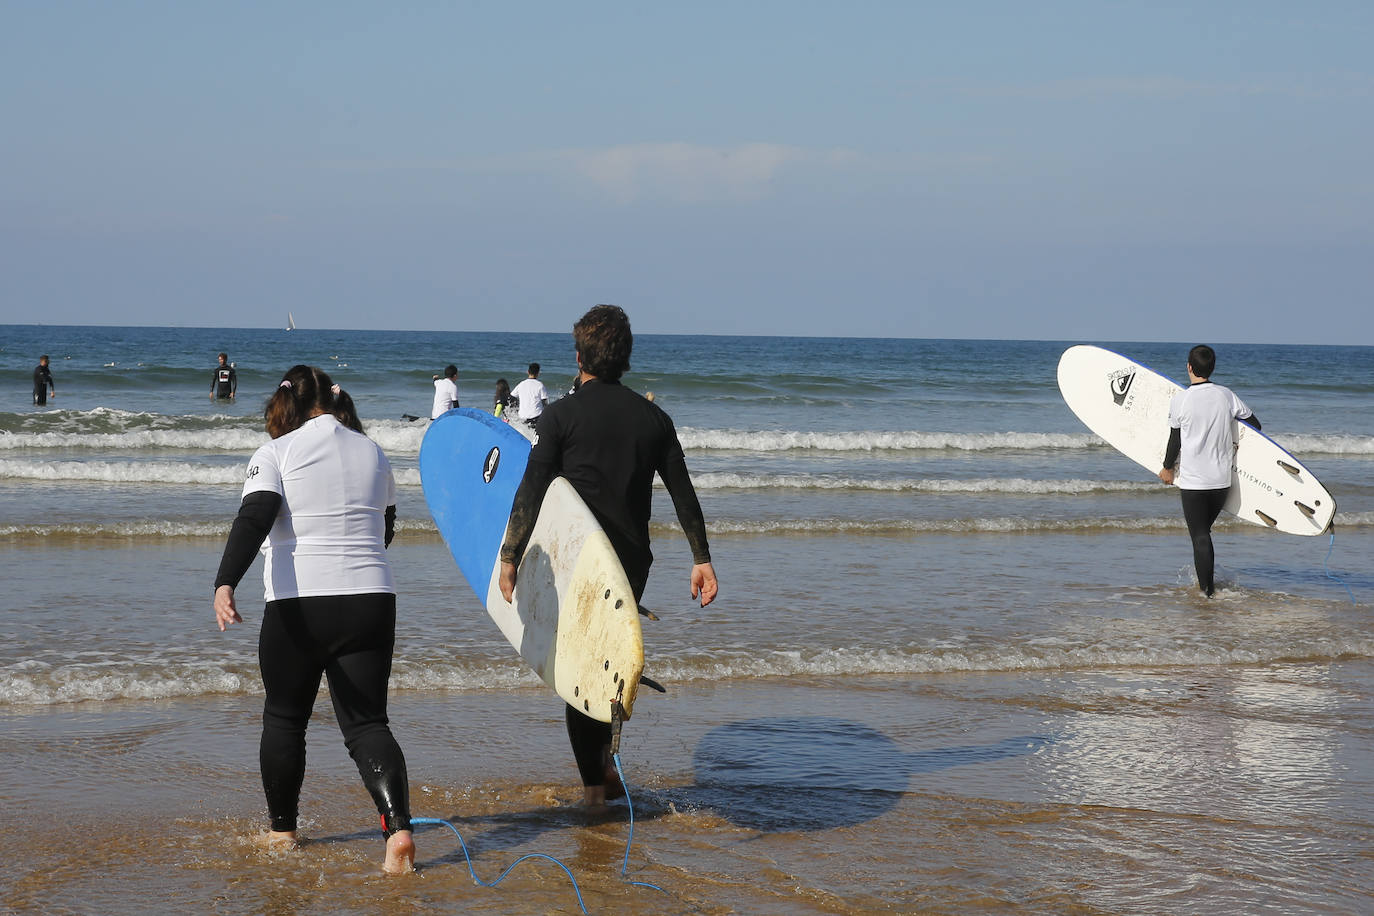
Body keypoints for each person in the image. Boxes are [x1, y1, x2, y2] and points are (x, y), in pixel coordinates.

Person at [498, 305, 719, 806]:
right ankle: (605, 773)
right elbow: (683, 493)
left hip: (581, 564)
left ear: (578, 356)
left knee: (581, 676)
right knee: (605, 663)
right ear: (626, 359)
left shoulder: (559, 418)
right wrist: (701, 558)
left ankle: (595, 793)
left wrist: (509, 556)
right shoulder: (655, 419)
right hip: (630, 566)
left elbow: (531, 490)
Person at [212, 365, 416, 873]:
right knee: (368, 723)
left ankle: (282, 832)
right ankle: (398, 831)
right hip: (371, 598)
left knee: (285, 716)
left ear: (290, 402)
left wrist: (225, 582)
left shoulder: (277, 452)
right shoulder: (373, 451)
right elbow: (385, 527)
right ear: (332, 399)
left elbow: (255, 517)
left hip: (298, 603)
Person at [1157, 345, 1261, 598]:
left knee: (1200, 535)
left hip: (1194, 482)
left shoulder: (1180, 399)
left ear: (1189, 367)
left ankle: (1207, 593)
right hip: (1222, 481)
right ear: (1212, 368)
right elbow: (1255, 425)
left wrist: (1167, 468)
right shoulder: (1226, 395)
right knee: (1204, 532)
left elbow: (1175, 440)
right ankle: (1207, 586)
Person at [510, 363, 549, 428]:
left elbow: (511, 397)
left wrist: (516, 409)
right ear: (538, 373)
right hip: (536, 417)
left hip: (522, 417)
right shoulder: (540, 385)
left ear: (527, 372)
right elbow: (545, 402)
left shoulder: (521, 384)